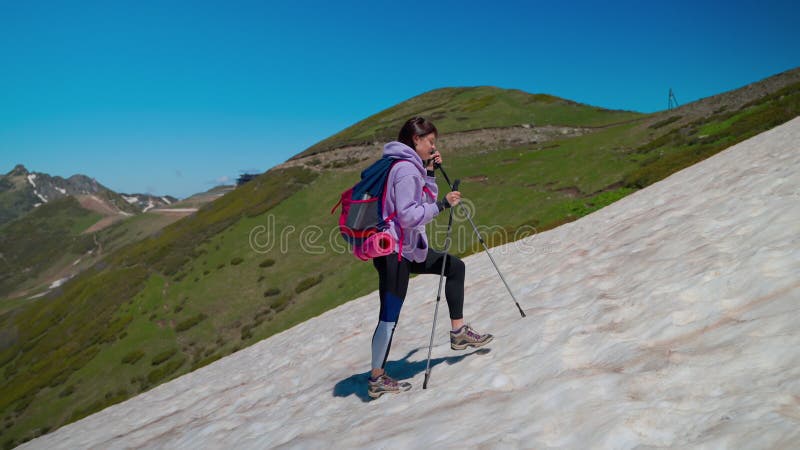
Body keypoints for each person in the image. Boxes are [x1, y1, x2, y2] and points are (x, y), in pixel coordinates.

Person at [368, 116, 493, 399]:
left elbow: (420, 200)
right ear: (416, 140)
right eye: (430, 142)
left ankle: (458, 332)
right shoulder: (404, 170)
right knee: (389, 317)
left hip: (408, 249)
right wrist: (441, 205)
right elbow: (409, 215)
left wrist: (430, 173)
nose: (433, 147)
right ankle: (376, 378)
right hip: (395, 253)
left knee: (455, 267)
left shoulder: (409, 167)